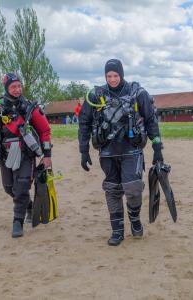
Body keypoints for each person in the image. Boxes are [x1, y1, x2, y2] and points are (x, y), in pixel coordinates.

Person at [78, 59, 164, 246]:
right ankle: (117, 231)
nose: (112, 79)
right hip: (107, 152)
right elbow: (84, 122)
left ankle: (134, 219)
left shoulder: (137, 93)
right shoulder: (95, 95)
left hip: (131, 149)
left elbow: (150, 120)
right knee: (112, 190)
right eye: (109, 76)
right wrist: (83, 151)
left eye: (116, 75)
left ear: (122, 74)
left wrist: (157, 147)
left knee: (133, 188)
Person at [0, 73, 52, 238]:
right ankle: (29, 206)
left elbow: (45, 131)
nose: (17, 89)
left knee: (21, 187)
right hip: (5, 155)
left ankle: (17, 222)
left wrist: (47, 155)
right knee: (9, 188)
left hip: (26, 154)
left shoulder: (30, 107)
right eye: (13, 87)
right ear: (6, 88)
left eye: (19, 86)